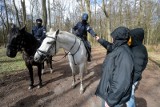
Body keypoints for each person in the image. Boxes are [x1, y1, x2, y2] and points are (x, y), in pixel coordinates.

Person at [95, 26, 134, 107]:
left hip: (113, 98)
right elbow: (108, 45)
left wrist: (110, 101)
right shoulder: (117, 48)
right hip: (109, 92)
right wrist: (99, 39)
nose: (112, 39)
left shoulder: (124, 54)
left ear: (117, 38)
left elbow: (122, 81)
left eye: (113, 37)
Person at [126, 28, 148, 107]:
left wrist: (131, 80)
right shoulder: (133, 46)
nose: (129, 39)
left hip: (132, 78)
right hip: (129, 77)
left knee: (129, 97)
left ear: (136, 38)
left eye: (131, 37)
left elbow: (138, 69)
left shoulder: (139, 50)